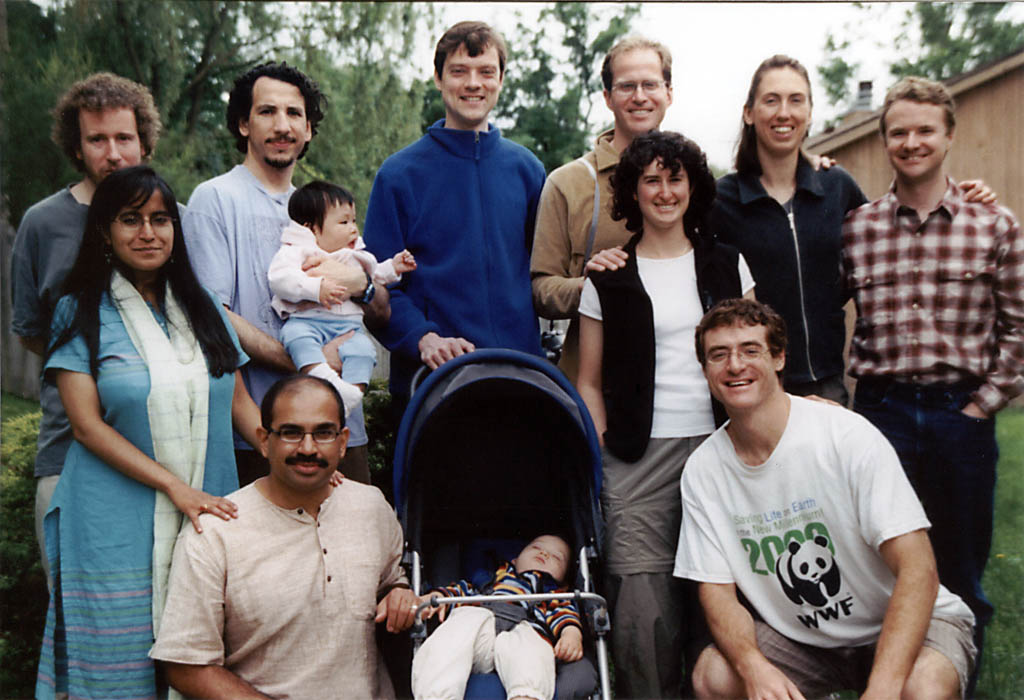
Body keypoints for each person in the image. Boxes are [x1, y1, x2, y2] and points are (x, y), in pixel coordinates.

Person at [675, 298, 976, 699]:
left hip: (904, 622)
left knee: (923, 687)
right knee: (714, 676)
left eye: (751, 350)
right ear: (705, 369)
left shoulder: (843, 435)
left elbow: (918, 569)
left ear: (779, 358)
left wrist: (883, 689)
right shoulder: (703, 469)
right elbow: (716, 592)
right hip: (805, 640)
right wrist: (754, 668)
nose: (734, 366)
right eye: (719, 355)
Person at [35, 166, 260, 700]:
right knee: (119, 666)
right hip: (113, 519)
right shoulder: (80, 310)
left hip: (209, 508)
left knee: (206, 656)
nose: (148, 232)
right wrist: (175, 487)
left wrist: (298, 455)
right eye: (130, 219)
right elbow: (87, 428)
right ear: (105, 231)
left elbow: (241, 404)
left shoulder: (203, 306)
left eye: (160, 219)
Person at [842, 76, 1023, 689]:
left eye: (924, 130)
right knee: (881, 569)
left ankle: (953, 685)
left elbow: (1019, 328)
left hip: (958, 416)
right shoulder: (858, 228)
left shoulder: (993, 225)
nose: (911, 142)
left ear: (948, 135)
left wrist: (980, 407)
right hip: (882, 415)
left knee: (961, 570)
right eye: (899, 132)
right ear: (885, 138)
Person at [576, 130, 754, 698]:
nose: (664, 190)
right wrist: (606, 455)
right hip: (637, 454)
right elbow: (588, 380)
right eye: (651, 179)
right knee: (640, 605)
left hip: (723, 447)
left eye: (675, 177)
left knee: (730, 592)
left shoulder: (728, 265)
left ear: (693, 186)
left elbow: (756, 359)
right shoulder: (608, 275)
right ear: (632, 189)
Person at [151, 375, 419, 699]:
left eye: (323, 433)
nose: (308, 448)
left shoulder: (371, 506)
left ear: (343, 441)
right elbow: (185, 664)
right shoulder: (215, 534)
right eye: (291, 433)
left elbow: (392, 579)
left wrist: (399, 592)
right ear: (264, 440)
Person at [184, 61, 383, 485]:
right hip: (262, 429)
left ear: (309, 129)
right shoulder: (215, 199)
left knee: (355, 546)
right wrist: (304, 359)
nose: (282, 125)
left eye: (294, 114)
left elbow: (372, 294)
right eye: (267, 112)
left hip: (339, 426)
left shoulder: (321, 207)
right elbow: (211, 316)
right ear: (243, 124)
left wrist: (362, 283)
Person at [10, 72, 160, 587]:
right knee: (80, 617)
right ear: (77, 147)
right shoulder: (41, 224)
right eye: (97, 139)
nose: (113, 153)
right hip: (68, 450)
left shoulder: (169, 221)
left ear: (144, 141)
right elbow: (33, 331)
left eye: (124, 138)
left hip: (167, 449)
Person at [363, 21, 545, 406]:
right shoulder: (399, 175)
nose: (473, 83)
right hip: (433, 383)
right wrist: (422, 336)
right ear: (438, 77)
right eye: (459, 71)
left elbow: (544, 272)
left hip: (521, 375)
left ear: (501, 79)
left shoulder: (527, 170)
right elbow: (378, 283)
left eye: (485, 72)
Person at [531, 36, 673, 383]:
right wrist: (592, 286)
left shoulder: (690, 180)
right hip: (598, 385)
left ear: (669, 93)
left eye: (650, 84)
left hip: (681, 383)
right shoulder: (569, 183)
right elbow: (541, 291)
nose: (639, 96)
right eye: (627, 86)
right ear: (608, 97)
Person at [268, 180, 416, 477]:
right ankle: (321, 375)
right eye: (343, 222)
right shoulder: (297, 251)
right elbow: (280, 278)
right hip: (308, 321)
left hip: (348, 328)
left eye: (354, 220)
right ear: (312, 228)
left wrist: (394, 267)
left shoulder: (355, 255)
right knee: (295, 338)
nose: (353, 228)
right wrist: (315, 287)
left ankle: (350, 396)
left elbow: (376, 275)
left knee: (363, 351)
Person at [411, 534, 583, 700]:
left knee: (534, 649)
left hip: (525, 628)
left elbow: (564, 613)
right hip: (480, 625)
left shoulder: (554, 594)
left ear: (564, 580)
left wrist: (571, 634)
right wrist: (435, 598)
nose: (544, 553)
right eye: (536, 547)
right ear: (515, 559)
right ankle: (437, 695)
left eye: (556, 557)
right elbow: (460, 590)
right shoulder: (488, 579)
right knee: (455, 632)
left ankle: (526, 695)